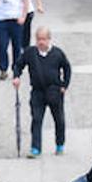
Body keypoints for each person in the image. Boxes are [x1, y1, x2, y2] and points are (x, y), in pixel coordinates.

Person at [12, 26, 71, 158]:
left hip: (54, 91)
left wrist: (64, 85)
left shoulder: (57, 53)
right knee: (36, 119)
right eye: (38, 39)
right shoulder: (30, 52)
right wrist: (16, 77)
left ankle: (59, 145)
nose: (41, 42)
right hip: (37, 91)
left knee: (59, 119)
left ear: (49, 39)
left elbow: (67, 68)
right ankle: (35, 148)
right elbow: (18, 65)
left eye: (43, 39)